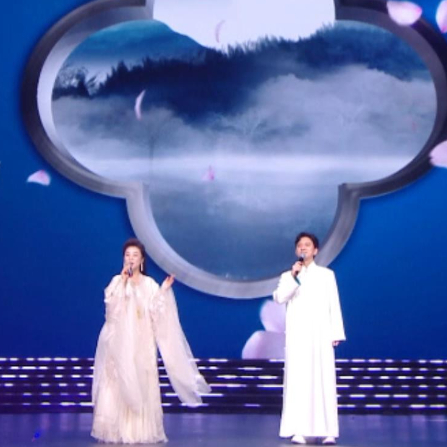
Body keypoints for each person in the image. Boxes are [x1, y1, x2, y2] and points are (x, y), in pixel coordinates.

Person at [91, 238, 210, 444]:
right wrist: (123, 283)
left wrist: (163, 290)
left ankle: (139, 430)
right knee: (120, 379)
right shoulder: (117, 282)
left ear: (142, 260)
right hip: (121, 341)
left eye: (135, 255)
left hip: (142, 341)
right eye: (127, 255)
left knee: (141, 379)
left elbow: (155, 311)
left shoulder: (149, 285)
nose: (131, 259)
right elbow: (111, 310)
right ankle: (118, 429)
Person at [273, 232, 346, 445]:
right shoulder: (289, 276)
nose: (303, 248)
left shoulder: (326, 275)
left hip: (321, 334)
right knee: (299, 380)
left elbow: (334, 304)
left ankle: (328, 431)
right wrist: (294, 277)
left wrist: (336, 332)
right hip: (298, 335)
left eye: (307, 245)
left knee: (324, 380)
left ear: (315, 250)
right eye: (300, 245)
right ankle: (300, 429)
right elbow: (279, 298)